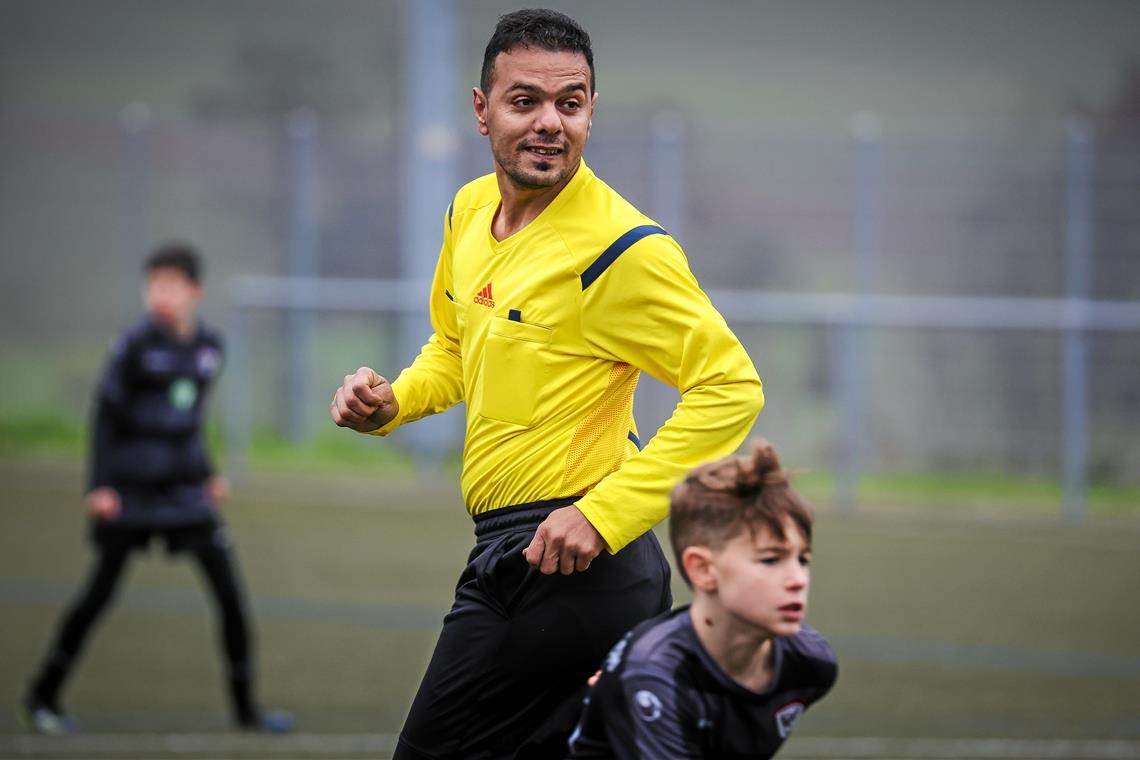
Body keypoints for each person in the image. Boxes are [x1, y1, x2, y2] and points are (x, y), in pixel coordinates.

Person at [331, 9, 764, 759]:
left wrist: (604, 514)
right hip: (509, 553)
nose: (549, 123)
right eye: (524, 100)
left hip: (577, 566)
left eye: (570, 103)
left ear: (592, 110)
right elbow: (456, 346)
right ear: (481, 110)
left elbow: (731, 388)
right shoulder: (468, 211)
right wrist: (394, 402)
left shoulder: (623, 249)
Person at [24, 243, 292, 736]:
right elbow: (104, 419)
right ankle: (43, 696)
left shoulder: (210, 347)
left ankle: (246, 708)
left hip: (185, 495)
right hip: (130, 493)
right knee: (98, 594)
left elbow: (190, 422)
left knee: (230, 595)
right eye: (153, 285)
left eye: (170, 285)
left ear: (194, 291)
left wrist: (207, 473)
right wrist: (101, 485)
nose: (160, 295)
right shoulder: (133, 346)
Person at [567, 439, 837, 759]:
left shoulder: (812, 662)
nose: (797, 580)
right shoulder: (654, 672)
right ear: (703, 569)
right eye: (770, 560)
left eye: (802, 560)